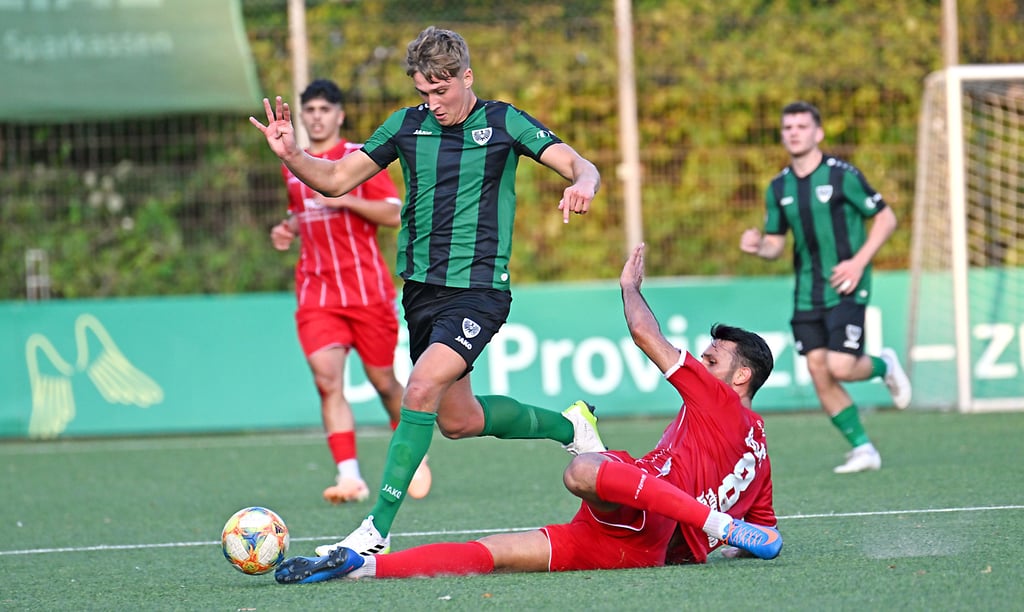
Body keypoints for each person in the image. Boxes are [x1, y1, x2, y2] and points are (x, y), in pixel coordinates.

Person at [251, 26, 604, 556]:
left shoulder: (504, 121)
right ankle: (570, 424)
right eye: (424, 93)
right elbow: (336, 178)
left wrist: (582, 184)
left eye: (442, 91)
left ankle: (373, 533)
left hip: (480, 290)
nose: (433, 103)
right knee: (458, 421)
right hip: (421, 293)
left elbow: (580, 163)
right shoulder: (406, 126)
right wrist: (293, 155)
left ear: (467, 77)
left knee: (417, 387)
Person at [272, 243, 782, 584]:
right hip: (638, 543)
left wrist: (629, 286)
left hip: (642, 508)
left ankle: (583, 438)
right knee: (497, 552)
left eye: (714, 355)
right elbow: (765, 533)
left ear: (742, 378)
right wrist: (720, 541)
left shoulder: (718, 400)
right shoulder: (759, 453)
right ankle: (360, 567)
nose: (703, 355)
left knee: (584, 468)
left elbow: (648, 336)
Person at [271, 78, 431, 504]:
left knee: (383, 382)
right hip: (317, 293)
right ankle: (349, 477)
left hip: (366, 291)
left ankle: (411, 456)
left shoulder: (359, 158)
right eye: (310, 110)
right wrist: (287, 228)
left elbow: (394, 213)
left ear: (339, 115)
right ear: (303, 116)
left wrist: (345, 200)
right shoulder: (294, 164)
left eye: (325, 109)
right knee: (327, 382)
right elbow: (299, 212)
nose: (317, 116)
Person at [739, 100, 912, 474]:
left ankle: (884, 364)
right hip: (807, 291)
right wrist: (758, 247)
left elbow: (886, 217)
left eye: (802, 126)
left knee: (842, 366)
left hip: (847, 284)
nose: (794, 132)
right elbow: (775, 244)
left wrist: (858, 261)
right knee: (819, 370)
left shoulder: (841, 175)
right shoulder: (779, 186)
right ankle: (863, 448)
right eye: (788, 127)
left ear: (818, 133)